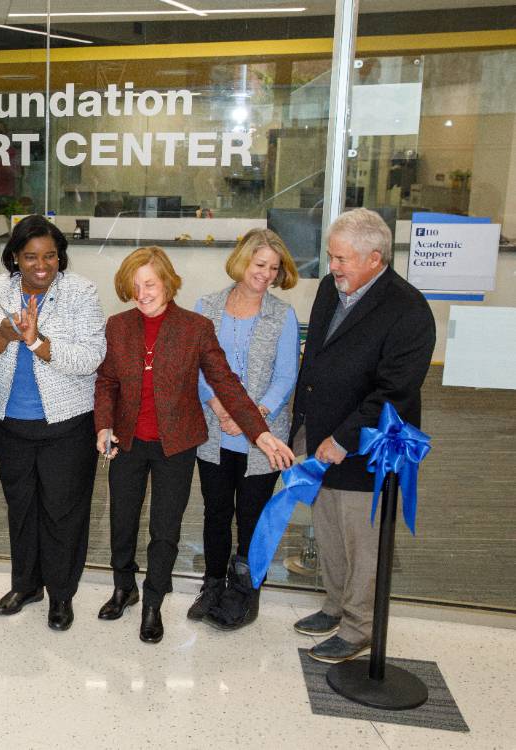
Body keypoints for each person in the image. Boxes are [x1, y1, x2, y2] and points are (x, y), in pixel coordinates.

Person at [94, 246, 294, 644]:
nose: (142, 292)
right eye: (134, 286)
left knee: (165, 529)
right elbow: (107, 382)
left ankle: (153, 602)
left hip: (176, 444)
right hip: (128, 441)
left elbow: (226, 384)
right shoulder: (118, 326)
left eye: (149, 283)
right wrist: (103, 426)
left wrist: (261, 432)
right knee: (122, 522)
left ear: (167, 282)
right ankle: (124, 588)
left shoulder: (194, 327)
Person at [291, 208, 435, 663]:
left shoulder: (408, 309)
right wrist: (303, 426)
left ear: (376, 258)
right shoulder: (330, 289)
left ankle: (359, 628)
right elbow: (314, 357)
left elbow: (394, 392)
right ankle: (335, 606)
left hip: (368, 448)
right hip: (318, 435)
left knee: (362, 540)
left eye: (342, 259)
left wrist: (344, 439)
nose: (333, 267)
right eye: (332, 257)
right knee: (329, 529)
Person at [0, 214, 106, 632]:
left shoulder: (80, 292)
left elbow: (90, 357)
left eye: (50, 256)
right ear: (14, 258)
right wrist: (3, 336)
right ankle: (26, 586)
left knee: (63, 513)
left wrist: (38, 342)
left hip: (67, 423)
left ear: (61, 257)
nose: (41, 265)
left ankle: (61, 594)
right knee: (22, 510)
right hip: (10, 423)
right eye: (30, 257)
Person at [189, 229, 301, 630]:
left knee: (252, 515)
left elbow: (286, 376)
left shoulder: (282, 314)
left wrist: (250, 416)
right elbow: (198, 364)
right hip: (215, 431)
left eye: (274, 268)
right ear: (242, 262)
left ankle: (247, 589)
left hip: (263, 436)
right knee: (216, 512)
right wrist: (220, 405)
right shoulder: (208, 307)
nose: (266, 274)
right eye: (260, 265)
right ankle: (214, 583)